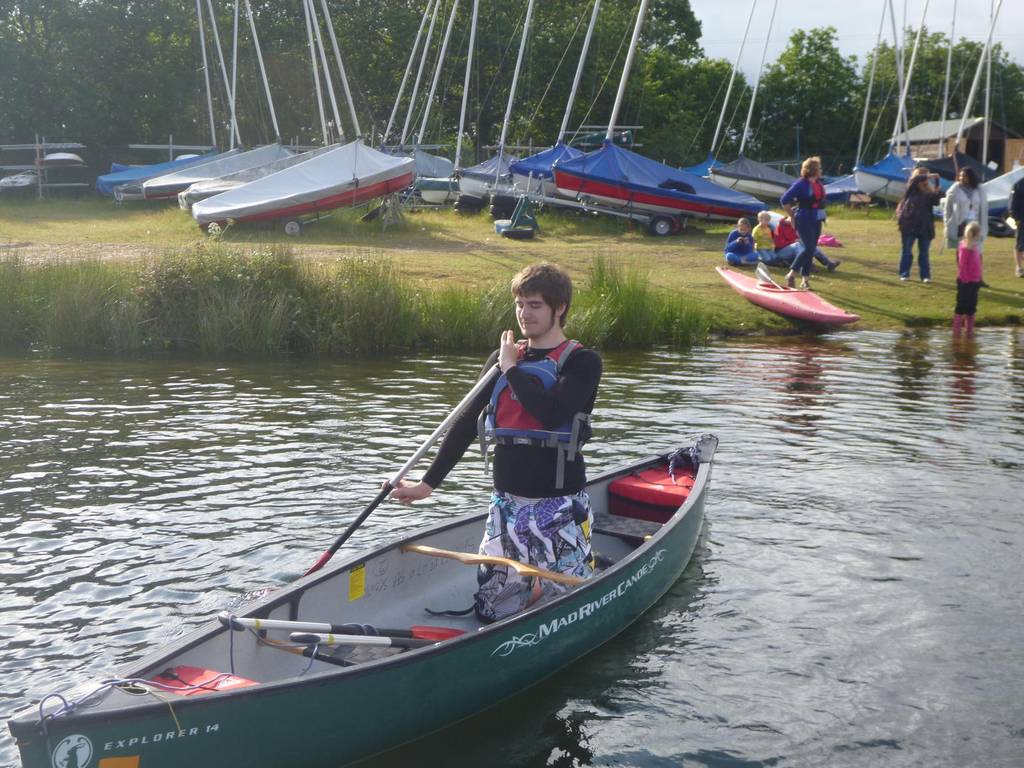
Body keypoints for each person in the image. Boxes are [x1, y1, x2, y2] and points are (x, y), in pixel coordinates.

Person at [391, 263, 602, 622]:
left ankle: (543, 590)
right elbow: (463, 425)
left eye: (535, 305)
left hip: (561, 503)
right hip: (505, 505)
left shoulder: (582, 362)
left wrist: (512, 369)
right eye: (520, 304)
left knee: (571, 609)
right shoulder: (502, 360)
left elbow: (550, 414)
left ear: (560, 308)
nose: (525, 313)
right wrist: (427, 484)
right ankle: (523, 595)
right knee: (490, 612)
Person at [781, 156, 828, 289]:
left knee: (811, 249)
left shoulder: (818, 183)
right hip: (804, 218)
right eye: (819, 168)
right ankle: (791, 273)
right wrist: (792, 216)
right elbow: (784, 200)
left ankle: (805, 280)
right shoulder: (800, 184)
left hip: (816, 218)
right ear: (812, 170)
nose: (821, 170)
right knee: (808, 248)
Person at [896, 170, 943, 282]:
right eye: (922, 177)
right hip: (909, 224)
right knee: (907, 251)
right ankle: (904, 273)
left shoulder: (928, 193)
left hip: (925, 226)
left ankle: (925, 276)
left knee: (924, 253)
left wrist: (936, 188)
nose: (924, 181)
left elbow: (936, 202)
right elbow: (914, 180)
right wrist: (930, 175)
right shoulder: (910, 190)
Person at [772, 213, 840, 271]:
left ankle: (828, 263)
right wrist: (793, 241)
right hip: (781, 252)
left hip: (794, 249)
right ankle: (806, 265)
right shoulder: (779, 226)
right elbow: (779, 244)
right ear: (790, 216)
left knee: (808, 244)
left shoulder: (797, 225)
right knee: (797, 245)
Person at [943, 167, 988, 251]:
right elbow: (947, 209)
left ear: (971, 177)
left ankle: (976, 264)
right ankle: (962, 264)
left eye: (964, 176)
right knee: (962, 249)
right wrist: (948, 223)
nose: (961, 178)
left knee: (976, 250)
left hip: (975, 224)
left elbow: (984, 208)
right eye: (960, 176)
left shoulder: (979, 190)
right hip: (961, 223)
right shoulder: (954, 191)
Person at [953, 221, 984, 338]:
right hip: (965, 282)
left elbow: (977, 264)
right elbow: (962, 265)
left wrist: (979, 277)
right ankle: (956, 331)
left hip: (975, 281)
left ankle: (969, 331)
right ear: (975, 234)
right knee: (961, 306)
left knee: (972, 307)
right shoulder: (965, 247)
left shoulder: (975, 247)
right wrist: (964, 280)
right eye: (979, 233)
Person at [1010, 175, 1024, 278]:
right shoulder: (1019, 184)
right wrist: (1016, 218)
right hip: (1022, 219)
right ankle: (1019, 267)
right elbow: (1013, 203)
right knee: (1020, 244)